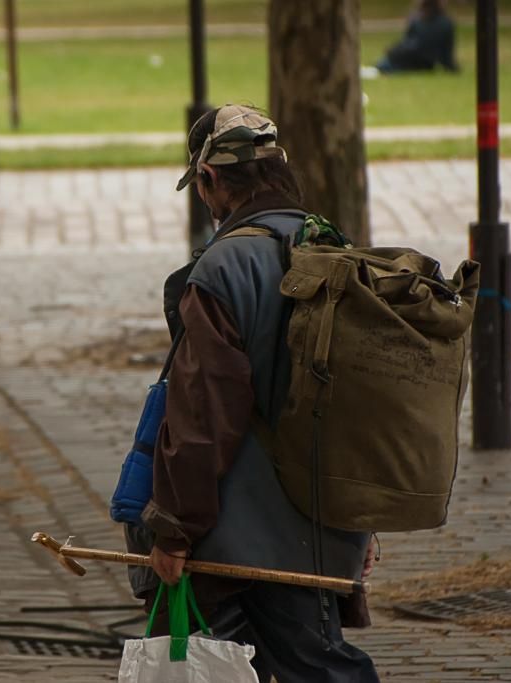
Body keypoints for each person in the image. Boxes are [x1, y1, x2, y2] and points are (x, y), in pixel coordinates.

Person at [132, 104, 380, 682]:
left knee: (226, 664)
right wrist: (362, 521)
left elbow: (202, 413)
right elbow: (366, 407)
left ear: (211, 180)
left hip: (229, 536)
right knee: (310, 662)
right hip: (315, 524)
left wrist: (173, 529)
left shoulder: (220, 270)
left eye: (202, 186)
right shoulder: (333, 251)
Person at [374, 0, 458, 74]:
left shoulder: (417, 19)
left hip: (405, 60)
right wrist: (452, 68)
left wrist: (392, 50)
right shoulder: (446, 23)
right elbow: (446, 54)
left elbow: (408, 43)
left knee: (379, 67)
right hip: (424, 64)